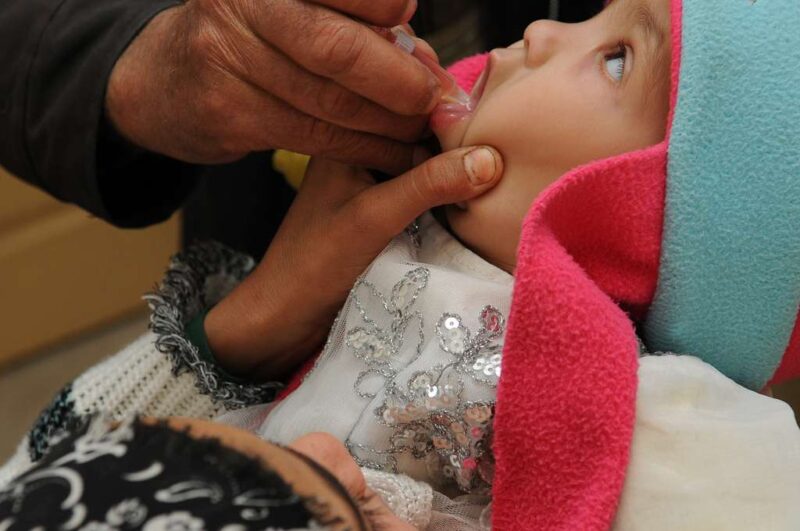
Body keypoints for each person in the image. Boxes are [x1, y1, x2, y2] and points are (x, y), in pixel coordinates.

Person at [4, 0, 800, 529]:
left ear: (641, 214)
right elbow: (52, 471)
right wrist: (229, 345)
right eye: (589, 18)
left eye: (617, 59)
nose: (542, 32)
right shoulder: (343, 245)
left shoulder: (654, 424)